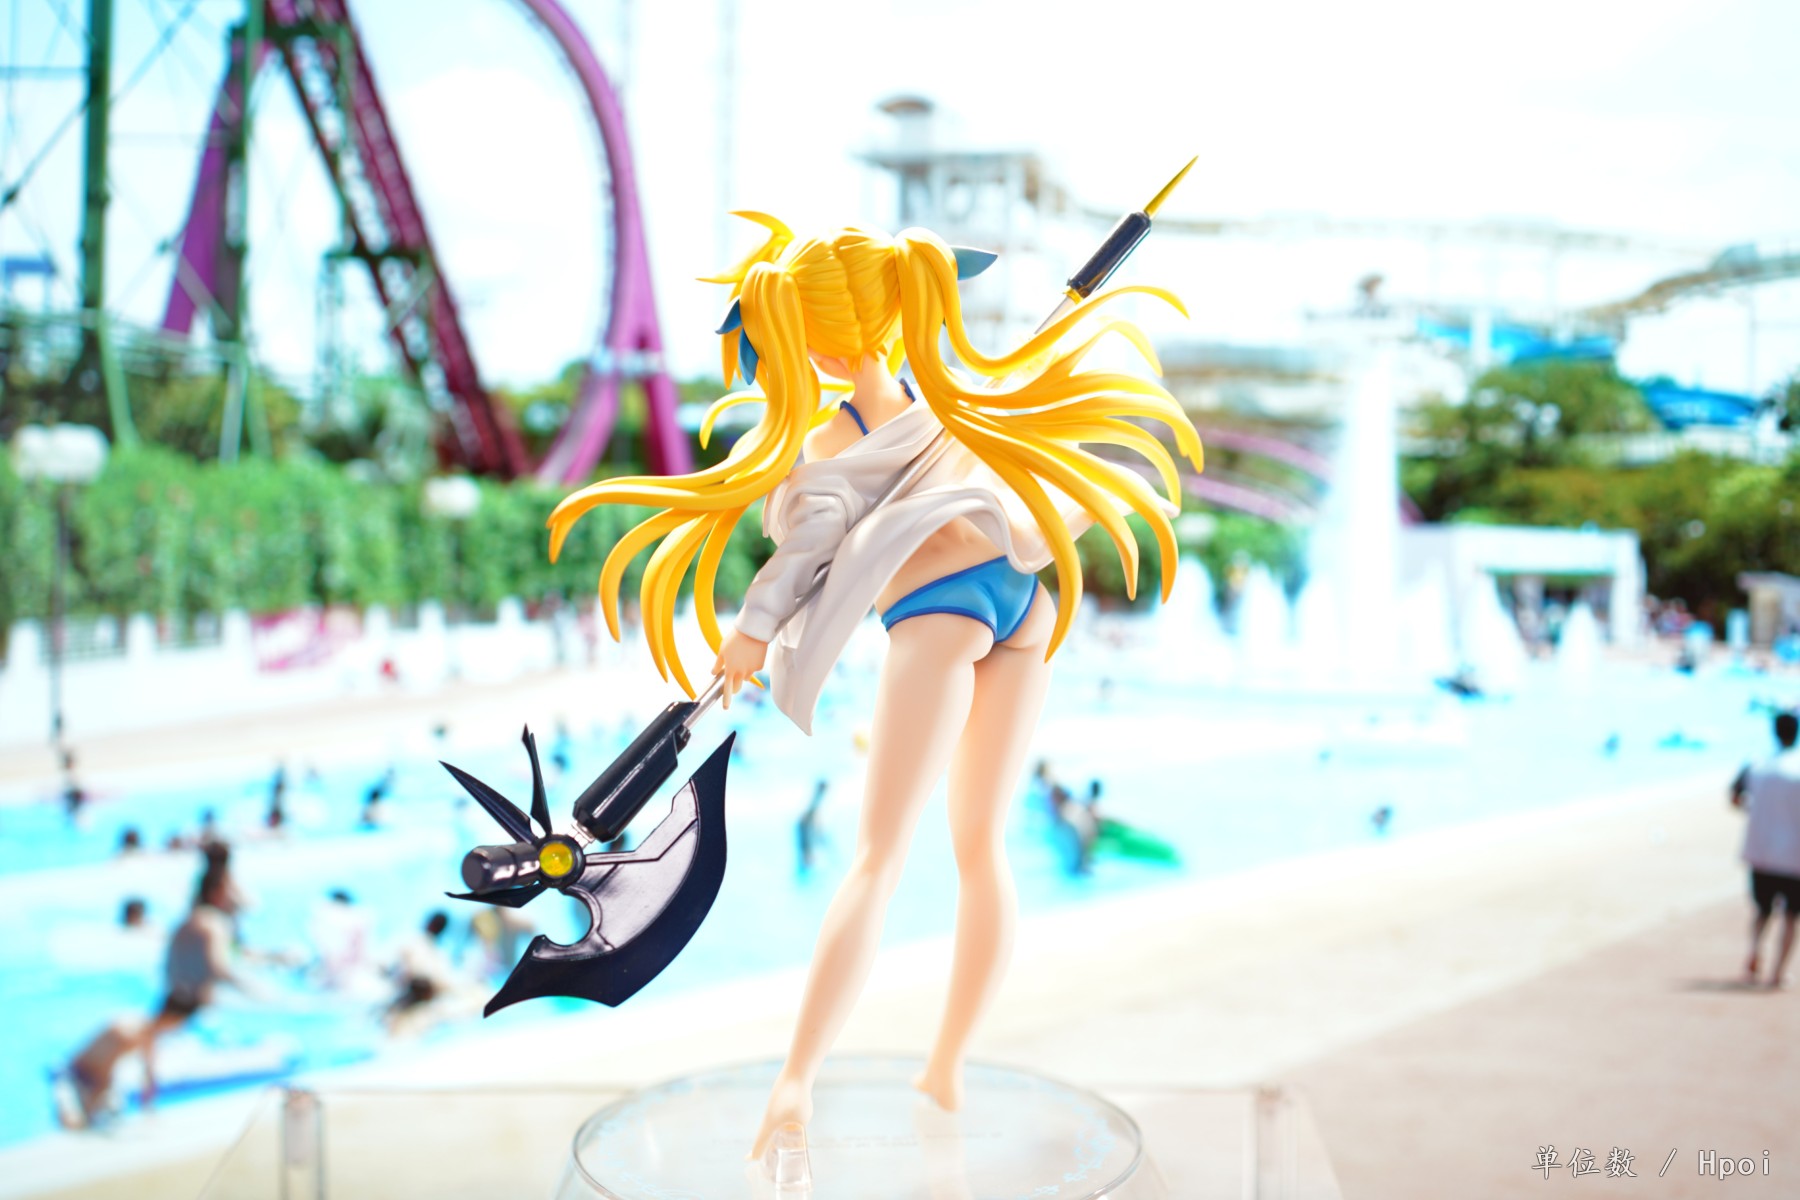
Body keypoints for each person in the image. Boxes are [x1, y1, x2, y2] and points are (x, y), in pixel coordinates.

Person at [546, 215, 1200, 1160]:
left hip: (942, 613)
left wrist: (750, 634)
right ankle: (947, 1067)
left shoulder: (830, 443)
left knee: (877, 860)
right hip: (1025, 600)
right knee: (982, 849)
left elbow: (803, 554)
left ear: (809, 341)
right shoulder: (956, 392)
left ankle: (796, 1081)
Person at [56, 994, 200, 1129]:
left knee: (107, 1119)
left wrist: (148, 1108)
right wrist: (93, 1104)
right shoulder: (129, 1030)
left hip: (91, 1079)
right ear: (174, 1019)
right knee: (76, 1124)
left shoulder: (146, 1032)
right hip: (73, 1076)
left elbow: (149, 1073)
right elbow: (102, 1069)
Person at [1731, 711, 1800, 987]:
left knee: (1762, 911)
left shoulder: (1756, 764)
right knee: (1791, 916)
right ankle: (1777, 973)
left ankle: (1754, 952)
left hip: (1760, 851)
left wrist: (1758, 812)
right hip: (1794, 856)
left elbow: (1735, 798)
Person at [797, 780, 829, 876]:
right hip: (805, 826)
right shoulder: (806, 848)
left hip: (805, 826)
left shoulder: (806, 847)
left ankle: (820, 789)